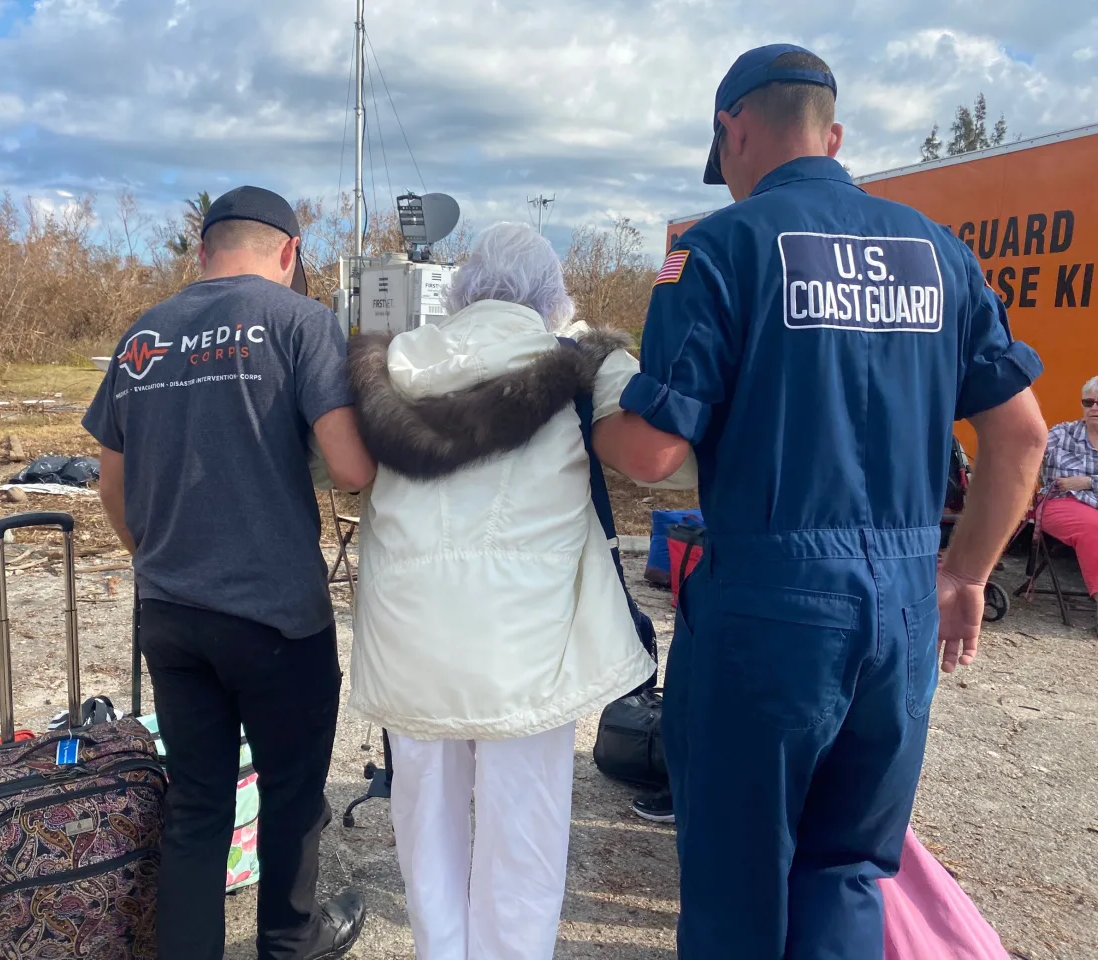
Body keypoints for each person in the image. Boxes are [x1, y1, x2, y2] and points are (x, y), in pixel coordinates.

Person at [593, 44, 1047, 959]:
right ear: (830, 132)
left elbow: (652, 452)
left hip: (769, 611)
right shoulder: (938, 254)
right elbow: (1023, 433)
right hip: (904, 609)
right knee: (846, 871)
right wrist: (963, 574)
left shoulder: (719, 250)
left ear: (734, 130)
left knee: (737, 884)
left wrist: (591, 398)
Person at [343, 222, 670, 960]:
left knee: (424, 815)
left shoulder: (390, 362)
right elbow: (659, 459)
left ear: (460, 292)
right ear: (552, 297)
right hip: (528, 647)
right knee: (524, 826)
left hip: (410, 636)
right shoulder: (582, 365)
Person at [83, 186, 375, 960]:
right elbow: (350, 469)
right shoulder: (301, 322)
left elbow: (110, 485)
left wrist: (153, 555)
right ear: (289, 252)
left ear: (202, 251)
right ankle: (290, 941)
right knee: (291, 796)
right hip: (277, 619)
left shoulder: (143, 333)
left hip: (173, 614)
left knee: (199, 804)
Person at [1038, 376, 1098, 627]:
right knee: (1094, 527)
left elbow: (1087, 483)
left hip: (1090, 498)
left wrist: (1089, 482)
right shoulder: (1062, 433)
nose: (1094, 407)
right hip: (1060, 501)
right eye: (1088, 401)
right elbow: (1029, 446)